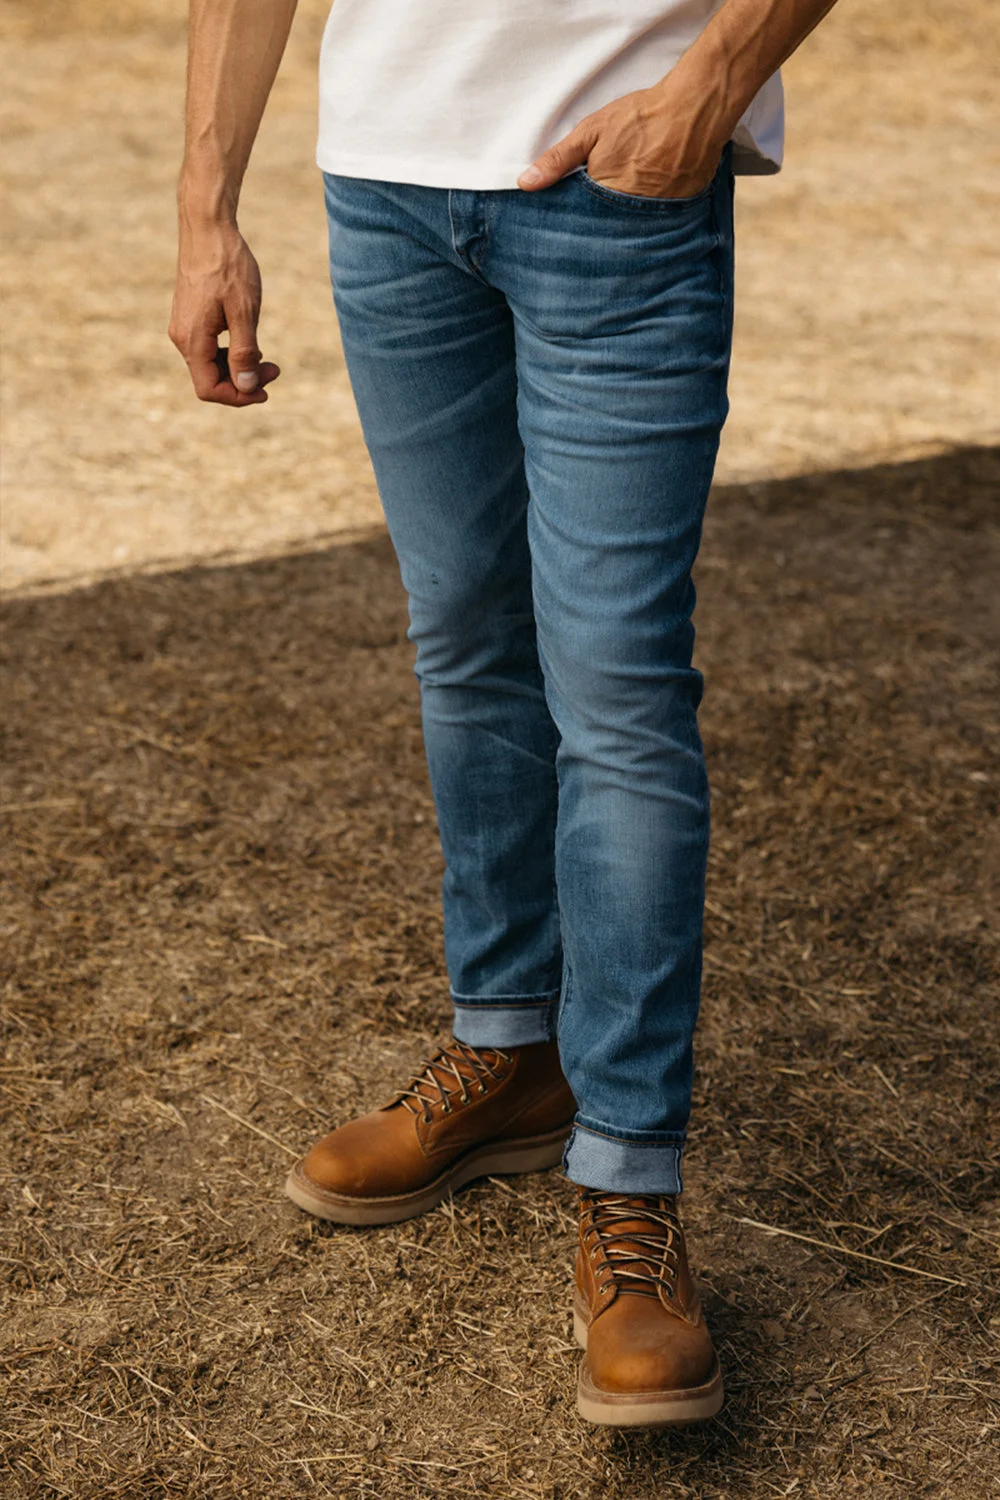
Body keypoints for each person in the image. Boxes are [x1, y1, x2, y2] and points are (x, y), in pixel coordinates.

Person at [170, 0, 837, 1428]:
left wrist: (711, 84)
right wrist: (205, 208)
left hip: (618, 183)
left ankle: (630, 1177)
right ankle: (512, 1048)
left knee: (619, 694)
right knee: (468, 647)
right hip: (387, 183)